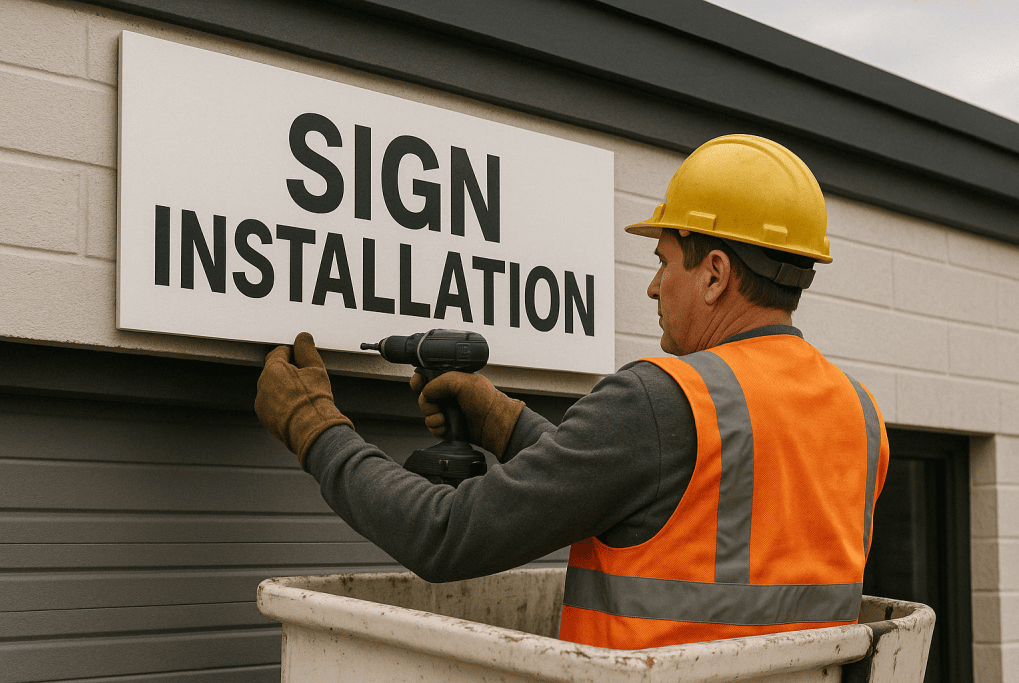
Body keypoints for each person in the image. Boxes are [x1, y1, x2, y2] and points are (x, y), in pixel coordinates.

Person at [255, 134, 889, 650]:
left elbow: (445, 535)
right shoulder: (860, 418)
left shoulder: (662, 400)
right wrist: (507, 423)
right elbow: (662, 511)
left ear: (716, 274)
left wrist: (315, 428)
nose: (652, 287)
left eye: (664, 261)